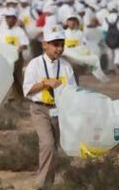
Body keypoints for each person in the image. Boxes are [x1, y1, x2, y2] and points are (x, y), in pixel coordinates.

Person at [23, 24, 77, 189]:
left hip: (60, 111)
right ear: (44, 44)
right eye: (55, 44)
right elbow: (27, 90)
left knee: (54, 147)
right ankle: (42, 185)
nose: (59, 48)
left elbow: (74, 91)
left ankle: (49, 181)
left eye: (62, 44)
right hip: (40, 109)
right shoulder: (35, 64)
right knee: (47, 144)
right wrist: (46, 83)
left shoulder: (66, 66)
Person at [0, 7, 29, 109]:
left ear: (14, 19)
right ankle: (11, 99)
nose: (8, 20)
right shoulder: (3, 31)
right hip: (6, 58)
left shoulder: (19, 31)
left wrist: (18, 49)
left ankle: (19, 98)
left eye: (10, 17)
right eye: (6, 17)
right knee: (8, 78)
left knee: (17, 78)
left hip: (17, 58)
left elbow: (25, 45)